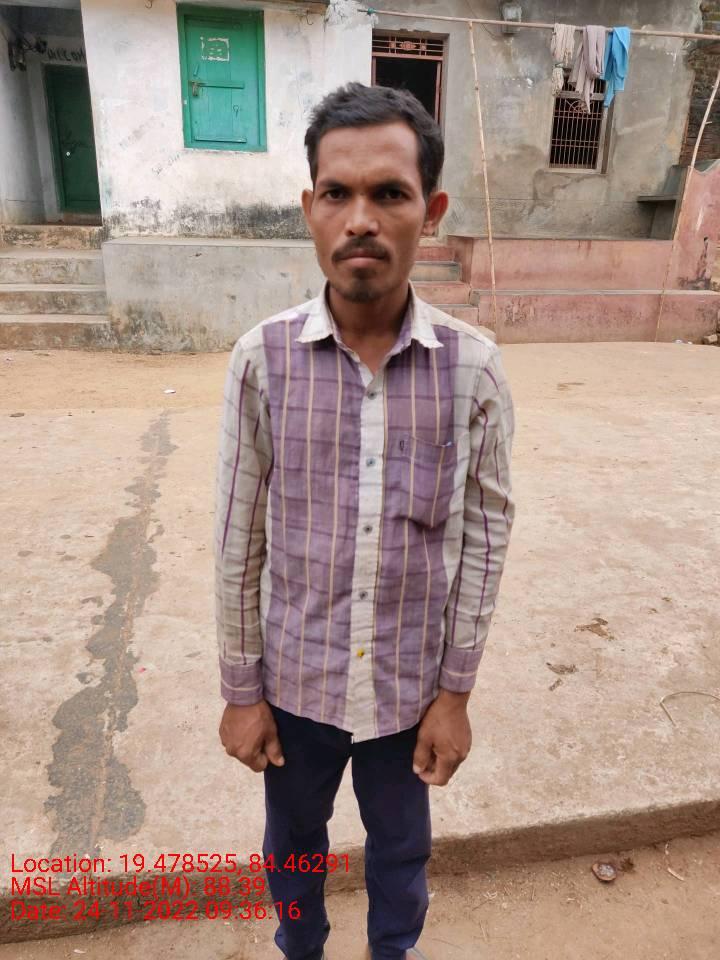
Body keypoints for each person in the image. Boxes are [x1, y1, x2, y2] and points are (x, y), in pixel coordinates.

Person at [215, 81, 515, 960]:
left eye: (390, 193)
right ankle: (300, 949)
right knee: (292, 847)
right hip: (295, 685)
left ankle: (394, 952)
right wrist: (241, 692)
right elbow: (238, 539)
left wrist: (455, 696)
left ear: (432, 211)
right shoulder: (262, 361)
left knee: (401, 851)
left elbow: (485, 542)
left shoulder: (473, 369)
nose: (361, 220)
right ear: (309, 208)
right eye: (337, 194)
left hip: (408, 692)